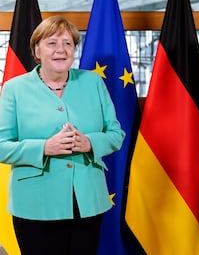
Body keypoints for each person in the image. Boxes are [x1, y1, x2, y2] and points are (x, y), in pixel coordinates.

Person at [0, 15, 125, 255]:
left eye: (68, 43)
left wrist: (90, 142)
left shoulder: (94, 83)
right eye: (52, 43)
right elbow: (2, 145)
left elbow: (115, 133)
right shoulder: (14, 89)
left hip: (88, 201)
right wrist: (44, 148)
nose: (61, 50)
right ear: (37, 50)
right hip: (35, 204)